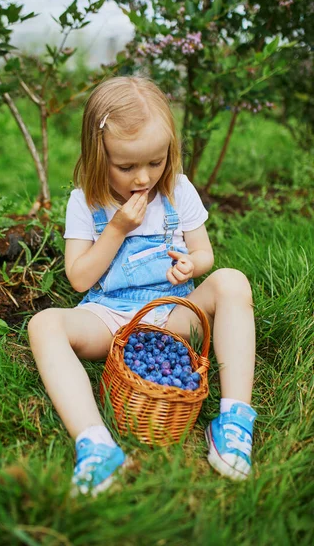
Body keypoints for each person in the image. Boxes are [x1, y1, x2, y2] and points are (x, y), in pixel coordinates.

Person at [28, 76, 257, 497]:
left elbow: (204, 254)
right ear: (99, 158)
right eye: (127, 167)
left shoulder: (177, 190)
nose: (143, 178)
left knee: (231, 282)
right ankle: (96, 445)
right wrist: (115, 229)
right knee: (44, 325)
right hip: (109, 317)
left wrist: (192, 265)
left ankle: (235, 417)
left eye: (155, 162)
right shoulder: (86, 201)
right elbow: (78, 277)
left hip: (170, 315)